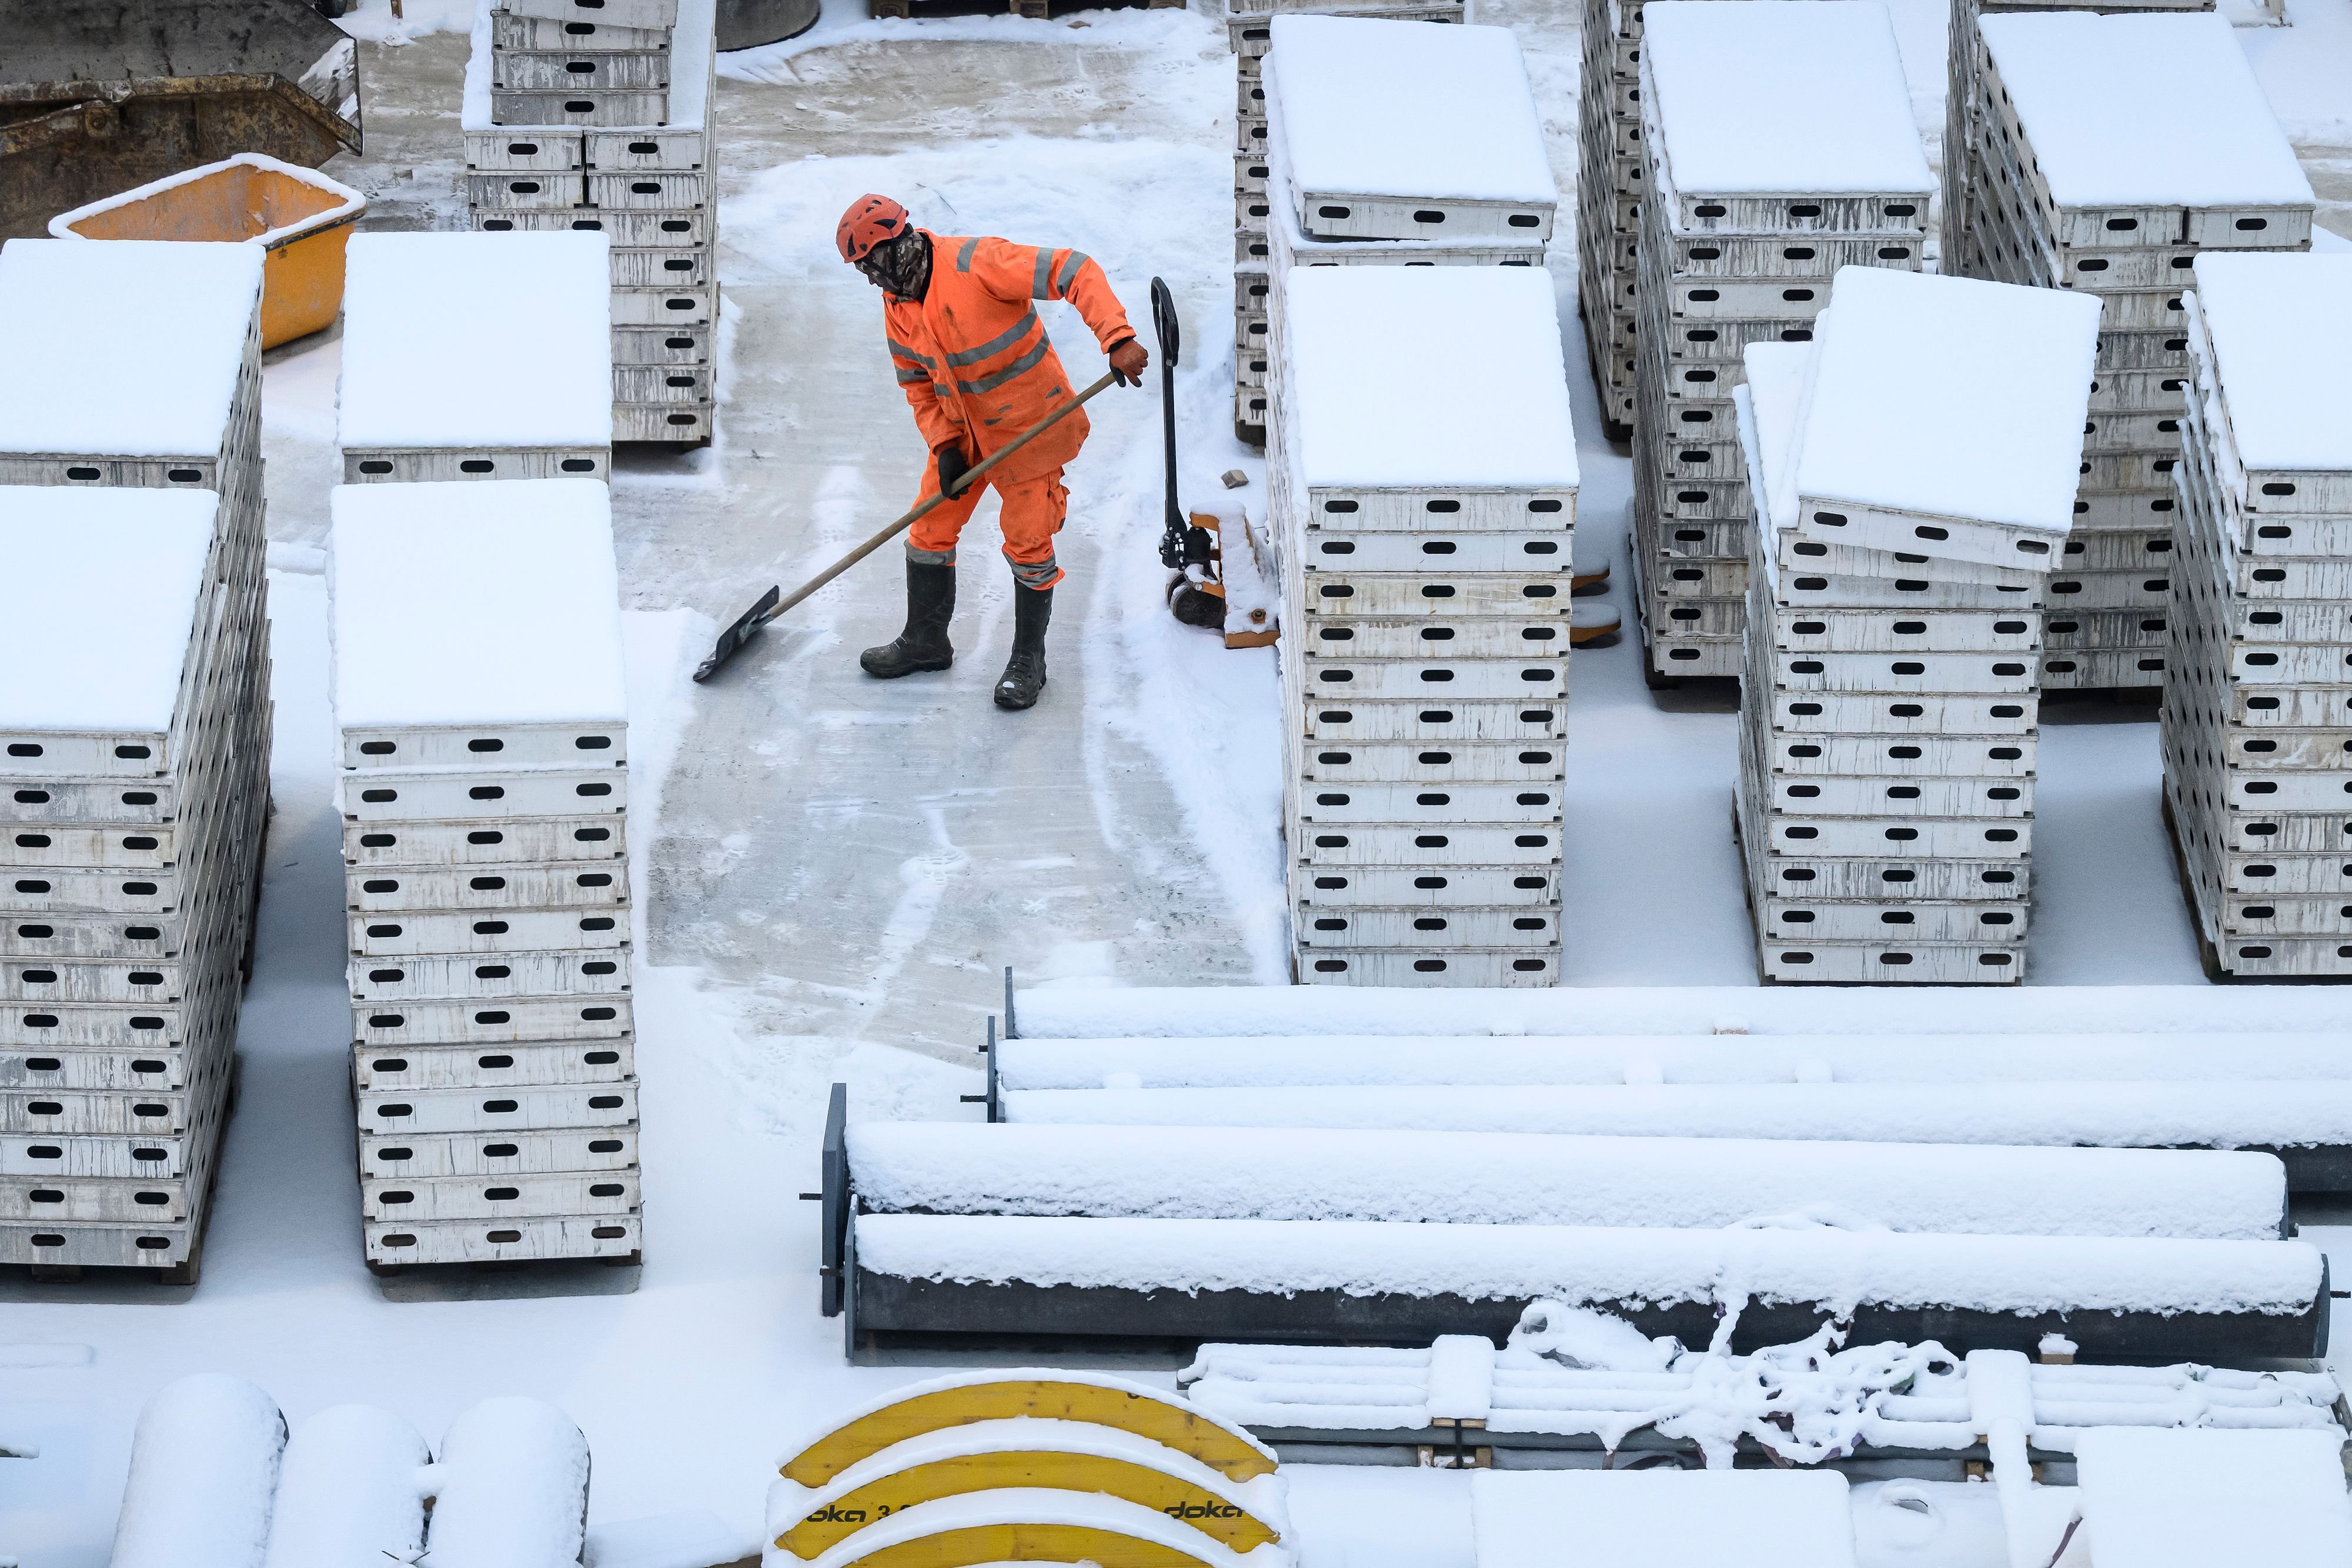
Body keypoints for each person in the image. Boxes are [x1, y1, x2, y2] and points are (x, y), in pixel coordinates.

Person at [836, 194, 1149, 710]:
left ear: (894, 247)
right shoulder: (898, 305)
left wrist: (1116, 337)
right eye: (861, 270)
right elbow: (916, 384)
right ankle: (926, 642)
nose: (869, 278)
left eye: (870, 265)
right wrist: (943, 445)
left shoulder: (977, 262)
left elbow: (1075, 270)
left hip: (1031, 430)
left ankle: (1030, 660)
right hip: (965, 436)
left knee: (1027, 539)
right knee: (929, 528)